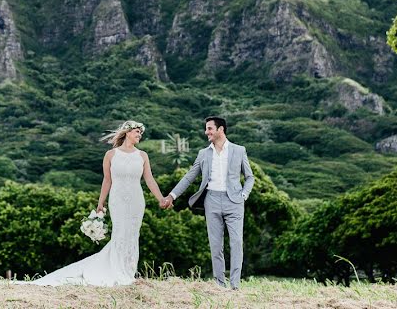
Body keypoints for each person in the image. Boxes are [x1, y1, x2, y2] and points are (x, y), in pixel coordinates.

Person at [32, 120, 165, 286]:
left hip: (137, 200)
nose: (140, 135)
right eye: (137, 132)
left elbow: (149, 179)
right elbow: (107, 180)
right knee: (120, 233)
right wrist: (100, 203)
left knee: (132, 234)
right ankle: (116, 270)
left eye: (141, 133)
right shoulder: (111, 155)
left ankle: (128, 271)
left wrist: (161, 198)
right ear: (127, 133)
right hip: (117, 200)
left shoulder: (142, 155)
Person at [161, 116, 254, 290]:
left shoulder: (239, 150)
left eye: (210, 128)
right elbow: (189, 176)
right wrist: (172, 196)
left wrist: (244, 195)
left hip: (234, 201)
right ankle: (219, 284)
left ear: (221, 130)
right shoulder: (203, 153)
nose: (206, 132)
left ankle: (235, 285)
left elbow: (250, 177)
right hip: (211, 201)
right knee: (215, 244)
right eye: (206, 129)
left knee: (236, 243)